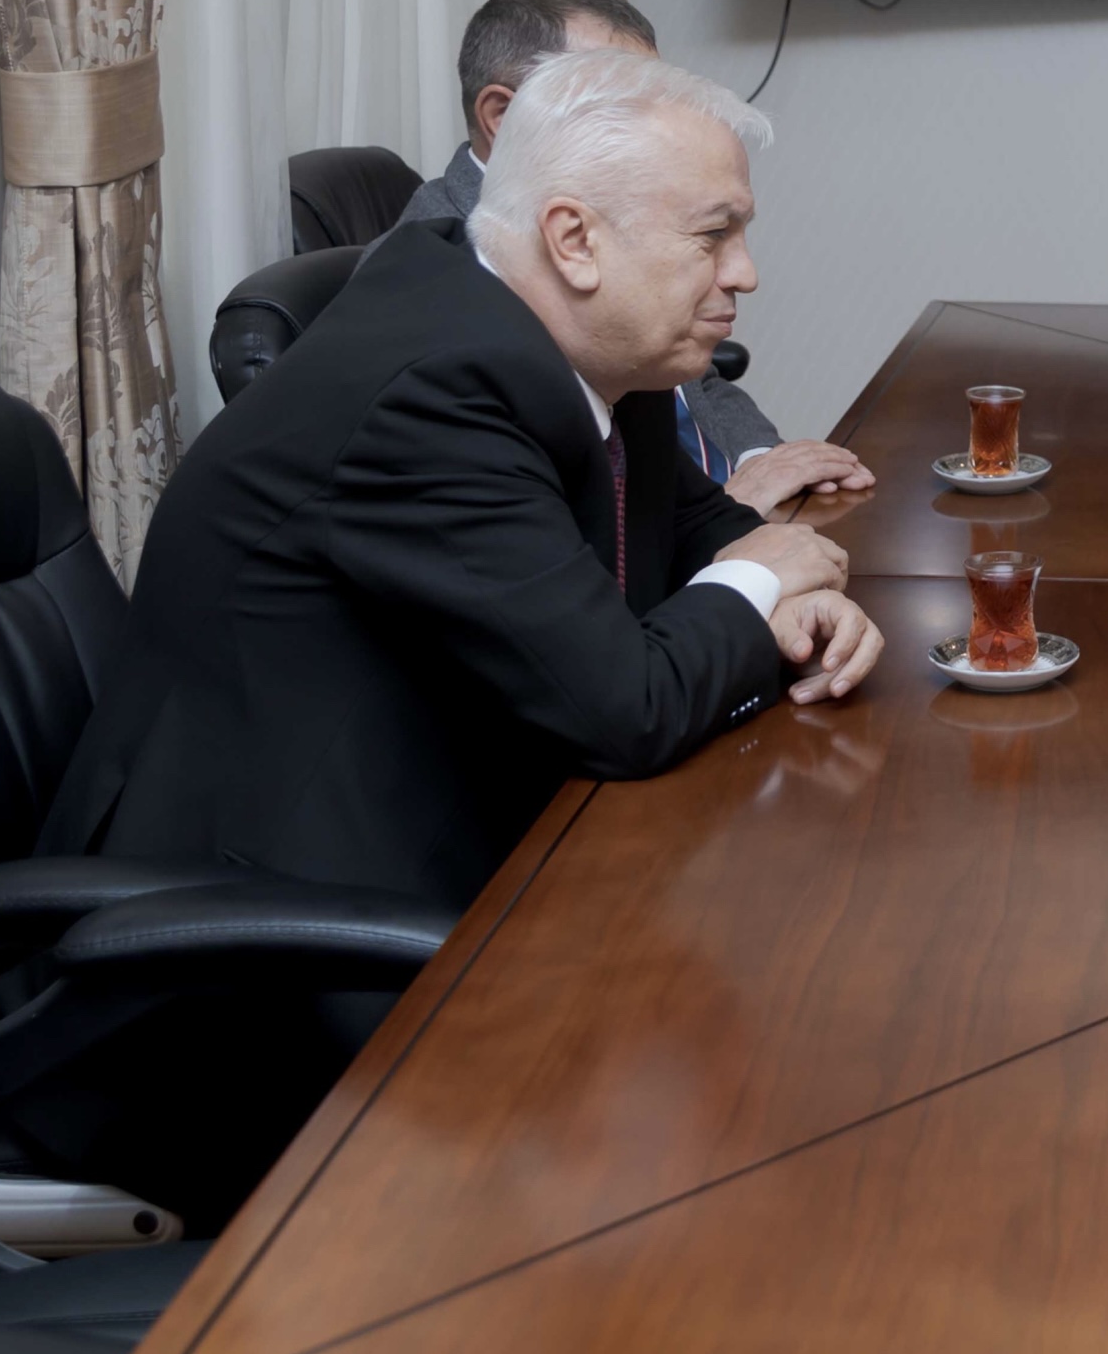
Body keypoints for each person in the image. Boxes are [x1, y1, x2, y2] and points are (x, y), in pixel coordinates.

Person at [48, 44, 887, 916]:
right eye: (713, 236)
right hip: (277, 904)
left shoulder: (586, 341)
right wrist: (759, 583)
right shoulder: (438, 393)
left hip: (479, 805)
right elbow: (626, 711)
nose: (745, 271)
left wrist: (783, 596)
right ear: (574, 240)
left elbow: (698, 527)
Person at [390, 0, 868, 517]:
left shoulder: (623, 226)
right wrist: (729, 508)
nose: (653, 125)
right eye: (622, 102)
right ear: (502, 117)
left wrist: (762, 460)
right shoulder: (449, 281)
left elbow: (696, 386)